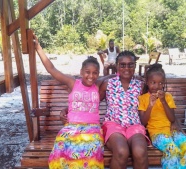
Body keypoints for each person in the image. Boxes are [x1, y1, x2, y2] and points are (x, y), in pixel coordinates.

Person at [34, 34, 110, 169]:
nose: (91, 76)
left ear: (98, 74)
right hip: (71, 127)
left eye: (95, 73)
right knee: (62, 148)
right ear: (81, 72)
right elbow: (52, 69)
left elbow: (113, 75)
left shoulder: (98, 85)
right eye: (87, 72)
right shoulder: (73, 83)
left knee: (92, 151)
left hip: (92, 129)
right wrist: (38, 48)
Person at [138, 63, 186, 169]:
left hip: (173, 131)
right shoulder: (143, 98)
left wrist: (163, 102)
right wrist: (150, 106)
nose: (157, 86)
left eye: (160, 83)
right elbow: (143, 122)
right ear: (147, 82)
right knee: (172, 150)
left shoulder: (167, 97)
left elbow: (172, 118)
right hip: (157, 134)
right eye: (153, 82)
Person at [99, 50, 149, 169]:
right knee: (122, 151)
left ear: (135, 66)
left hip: (134, 125)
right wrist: (68, 109)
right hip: (113, 124)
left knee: (140, 151)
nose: (126, 68)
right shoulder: (108, 84)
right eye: (122, 65)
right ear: (117, 66)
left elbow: (151, 104)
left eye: (130, 64)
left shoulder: (141, 85)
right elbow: (92, 102)